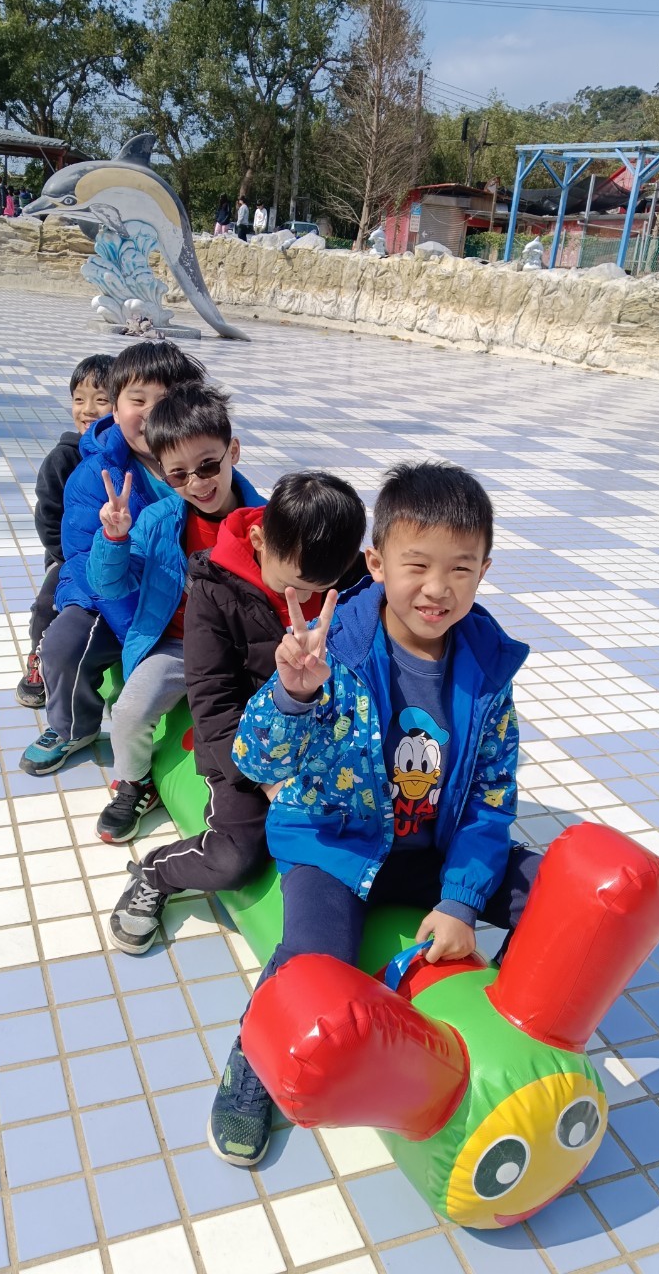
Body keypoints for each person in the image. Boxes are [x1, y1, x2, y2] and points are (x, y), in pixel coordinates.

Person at [208, 461, 542, 1166]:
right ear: (376, 563)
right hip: (337, 845)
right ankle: (254, 1058)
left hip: (431, 850)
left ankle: (514, 1022)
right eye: (416, 564)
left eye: (460, 568)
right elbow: (256, 762)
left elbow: (491, 797)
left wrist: (461, 898)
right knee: (315, 958)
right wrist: (293, 696)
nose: (437, 588)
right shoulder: (334, 650)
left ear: (484, 571)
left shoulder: (487, 669)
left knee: (549, 894)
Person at [108, 470, 368, 955]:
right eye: (295, 585)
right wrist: (262, 777)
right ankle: (155, 873)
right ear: (259, 541)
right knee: (237, 856)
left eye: (321, 586)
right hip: (246, 745)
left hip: (323, 735)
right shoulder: (214, 590)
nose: (307, 599)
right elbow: (211, 698)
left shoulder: (347, 577)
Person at [86, 382, 264, 844]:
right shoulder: (159, 522)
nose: (198, 484)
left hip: (243, 649)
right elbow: (109, 586)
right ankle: (134, 783)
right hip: (178, 646)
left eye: (208, 466)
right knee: (129, 711)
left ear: (233, 452)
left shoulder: (267, 522)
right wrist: (114, 540)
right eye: (180, 475)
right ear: (165, 476)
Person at [19, 342, 205, 776]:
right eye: (138, 400)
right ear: (116, 408)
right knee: (64, 646)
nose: (151, 413)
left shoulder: (202, 465)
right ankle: (72, 727)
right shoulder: (95, 473)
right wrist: (139, 630)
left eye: (166, 401)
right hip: (107, 597)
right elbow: (84, 557)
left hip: (178, 600)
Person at [15, 354, 114, 708]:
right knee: (47, 603)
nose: (88, 409)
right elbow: (48, 519)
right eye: (78, 399)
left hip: (112, 556)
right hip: (67, 556)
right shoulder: (63, 458)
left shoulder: (125, 456)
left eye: (101, 399)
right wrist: (70, 560)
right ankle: (37, 660)